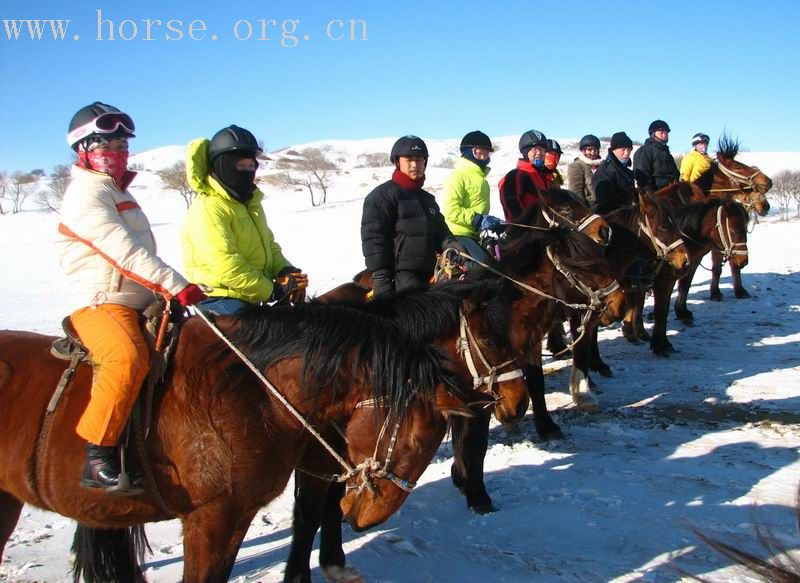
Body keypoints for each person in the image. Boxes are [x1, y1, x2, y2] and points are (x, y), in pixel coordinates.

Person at [57, 102, 207, 491]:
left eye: (123, 144)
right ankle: (98, 453)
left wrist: (166, 293)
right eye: (107, 144)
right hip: (102, 302)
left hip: (141, 300)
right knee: (126, 358)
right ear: (83, 150)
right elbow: (122, 251)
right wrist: (176, 285)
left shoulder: (115, 191)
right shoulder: (84, 196)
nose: (119, 152)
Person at [181, 125, 308, 316]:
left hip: (250, 295)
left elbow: (269, 245)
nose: (247, 172)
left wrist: (285, 270)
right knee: (265, 343)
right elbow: (225, 264)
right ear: (222, 166)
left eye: (251, 166)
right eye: (240, 166)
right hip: (218, 298)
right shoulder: (209, 208)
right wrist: (271, 290)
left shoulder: (249, 204)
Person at [361, 135, 463, 296]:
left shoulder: (428, 199)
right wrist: (381, 276)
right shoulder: (382, 196)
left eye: (419, 159)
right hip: (400, 273)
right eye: (409, 159)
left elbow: (441, 232)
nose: (415, 164)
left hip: (430, 270)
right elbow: (374, 239)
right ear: (397, 162)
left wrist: (451, 245)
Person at [441, 130, 503, 262]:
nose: (485, 155)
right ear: (471, 152)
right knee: (483, 266)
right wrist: (478, 220)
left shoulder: (481, 179)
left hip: (474, 235)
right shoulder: (457, 176)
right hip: (457, 234)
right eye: (481, 151)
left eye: (487, 152)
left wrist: (495, 223)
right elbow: (451, 210)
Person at [499, 129, 554, 220]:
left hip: (547, 229)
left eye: (542, 149)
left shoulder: (546, 176)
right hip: (528, 231)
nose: (539, 153)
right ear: (525, 152)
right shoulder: (515, 176)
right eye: (534, 149)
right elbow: (512, 208)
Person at [593, 131, 637, 214]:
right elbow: (605, 201)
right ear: (614, 150)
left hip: (627, 216)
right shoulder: (605, 170)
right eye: (623, 150)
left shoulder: (627, 171)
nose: (626, 153)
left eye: (629, 150)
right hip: (611, 218)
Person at [632, 119, 680, 192]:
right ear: (653, 134)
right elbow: (643, 177)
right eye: (661, 132)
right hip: (657, 194)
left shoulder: (666, 152)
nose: (664, 135)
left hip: (672, 193)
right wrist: (650, 196)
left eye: (666, 132)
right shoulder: (645, 151)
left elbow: (675, 173)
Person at [567, 134, 603, 206]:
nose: (592, 153)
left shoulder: (602, 166)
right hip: (588, 208)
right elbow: (576, 193)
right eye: (589, 149)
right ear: (583, 151)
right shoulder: (576, 166)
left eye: (595, 150)